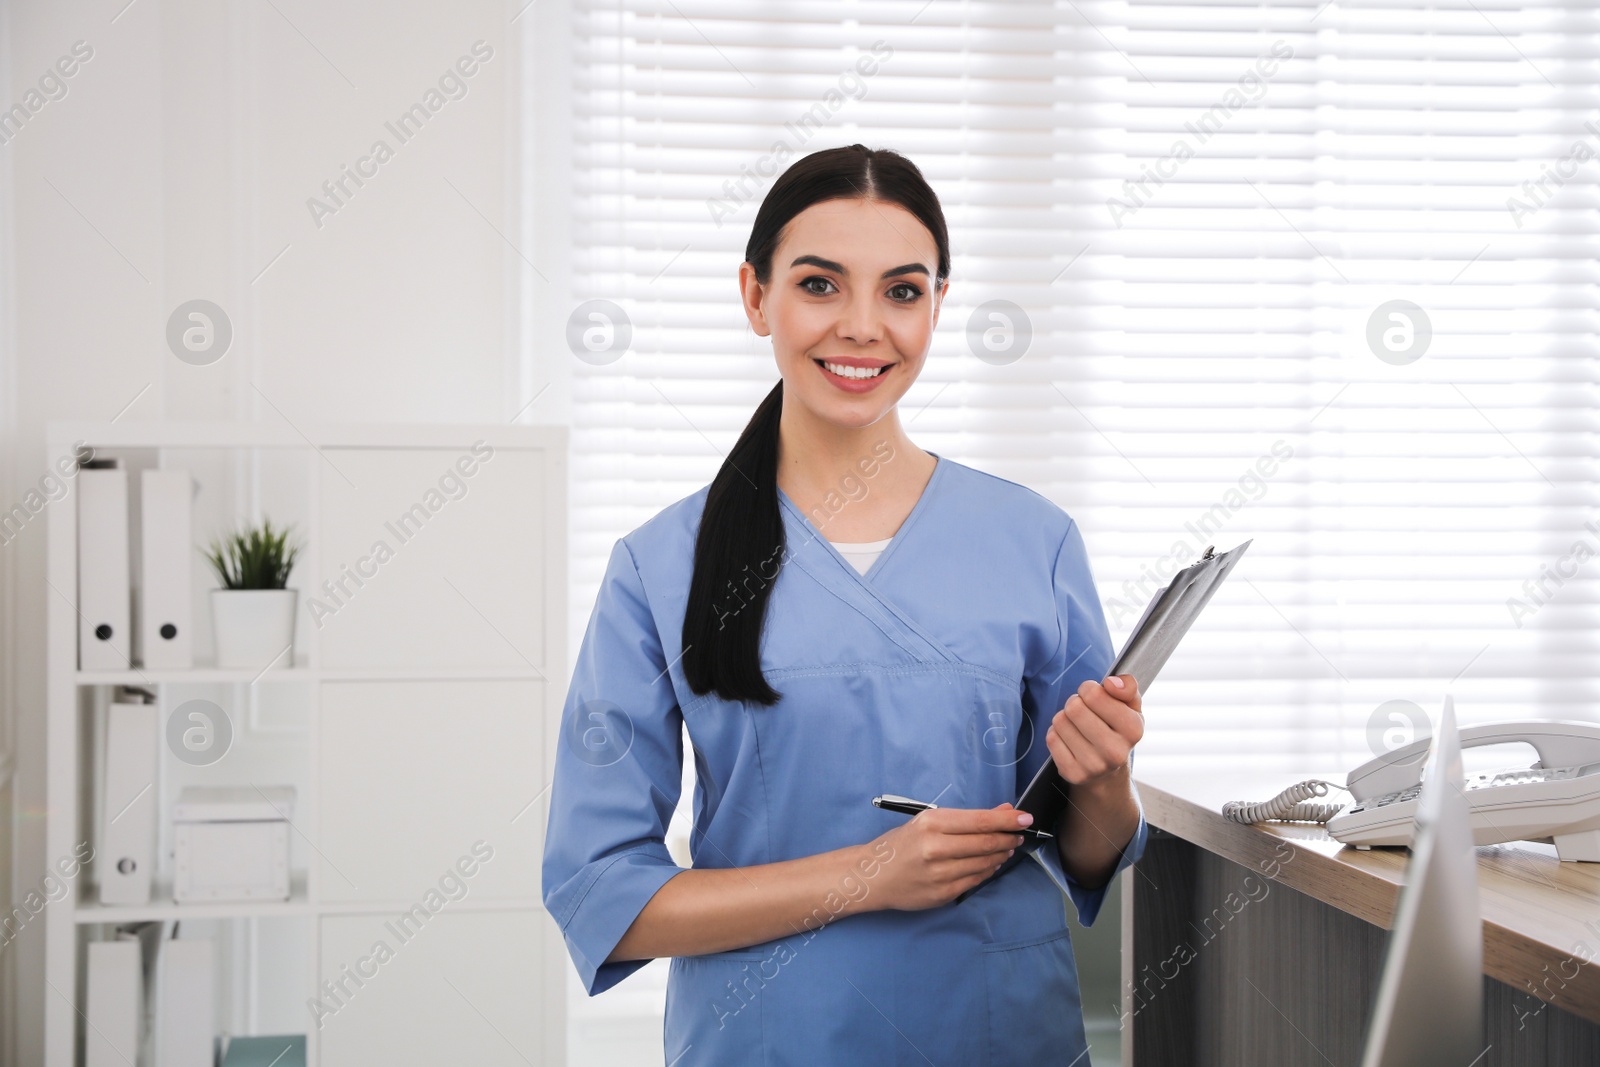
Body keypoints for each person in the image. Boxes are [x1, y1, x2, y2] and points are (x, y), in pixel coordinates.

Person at [542, 143, 1148, 1066]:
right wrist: (866, 876)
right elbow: (602, 897)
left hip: (996, 1030)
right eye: (821, 285)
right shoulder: (658, 567)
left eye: (902, 292)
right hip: (770, 1037)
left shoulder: (1035, 541)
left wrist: (1105, 783)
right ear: (756, 297)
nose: (863, 326)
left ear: (939, 305)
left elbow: (1085, 851)